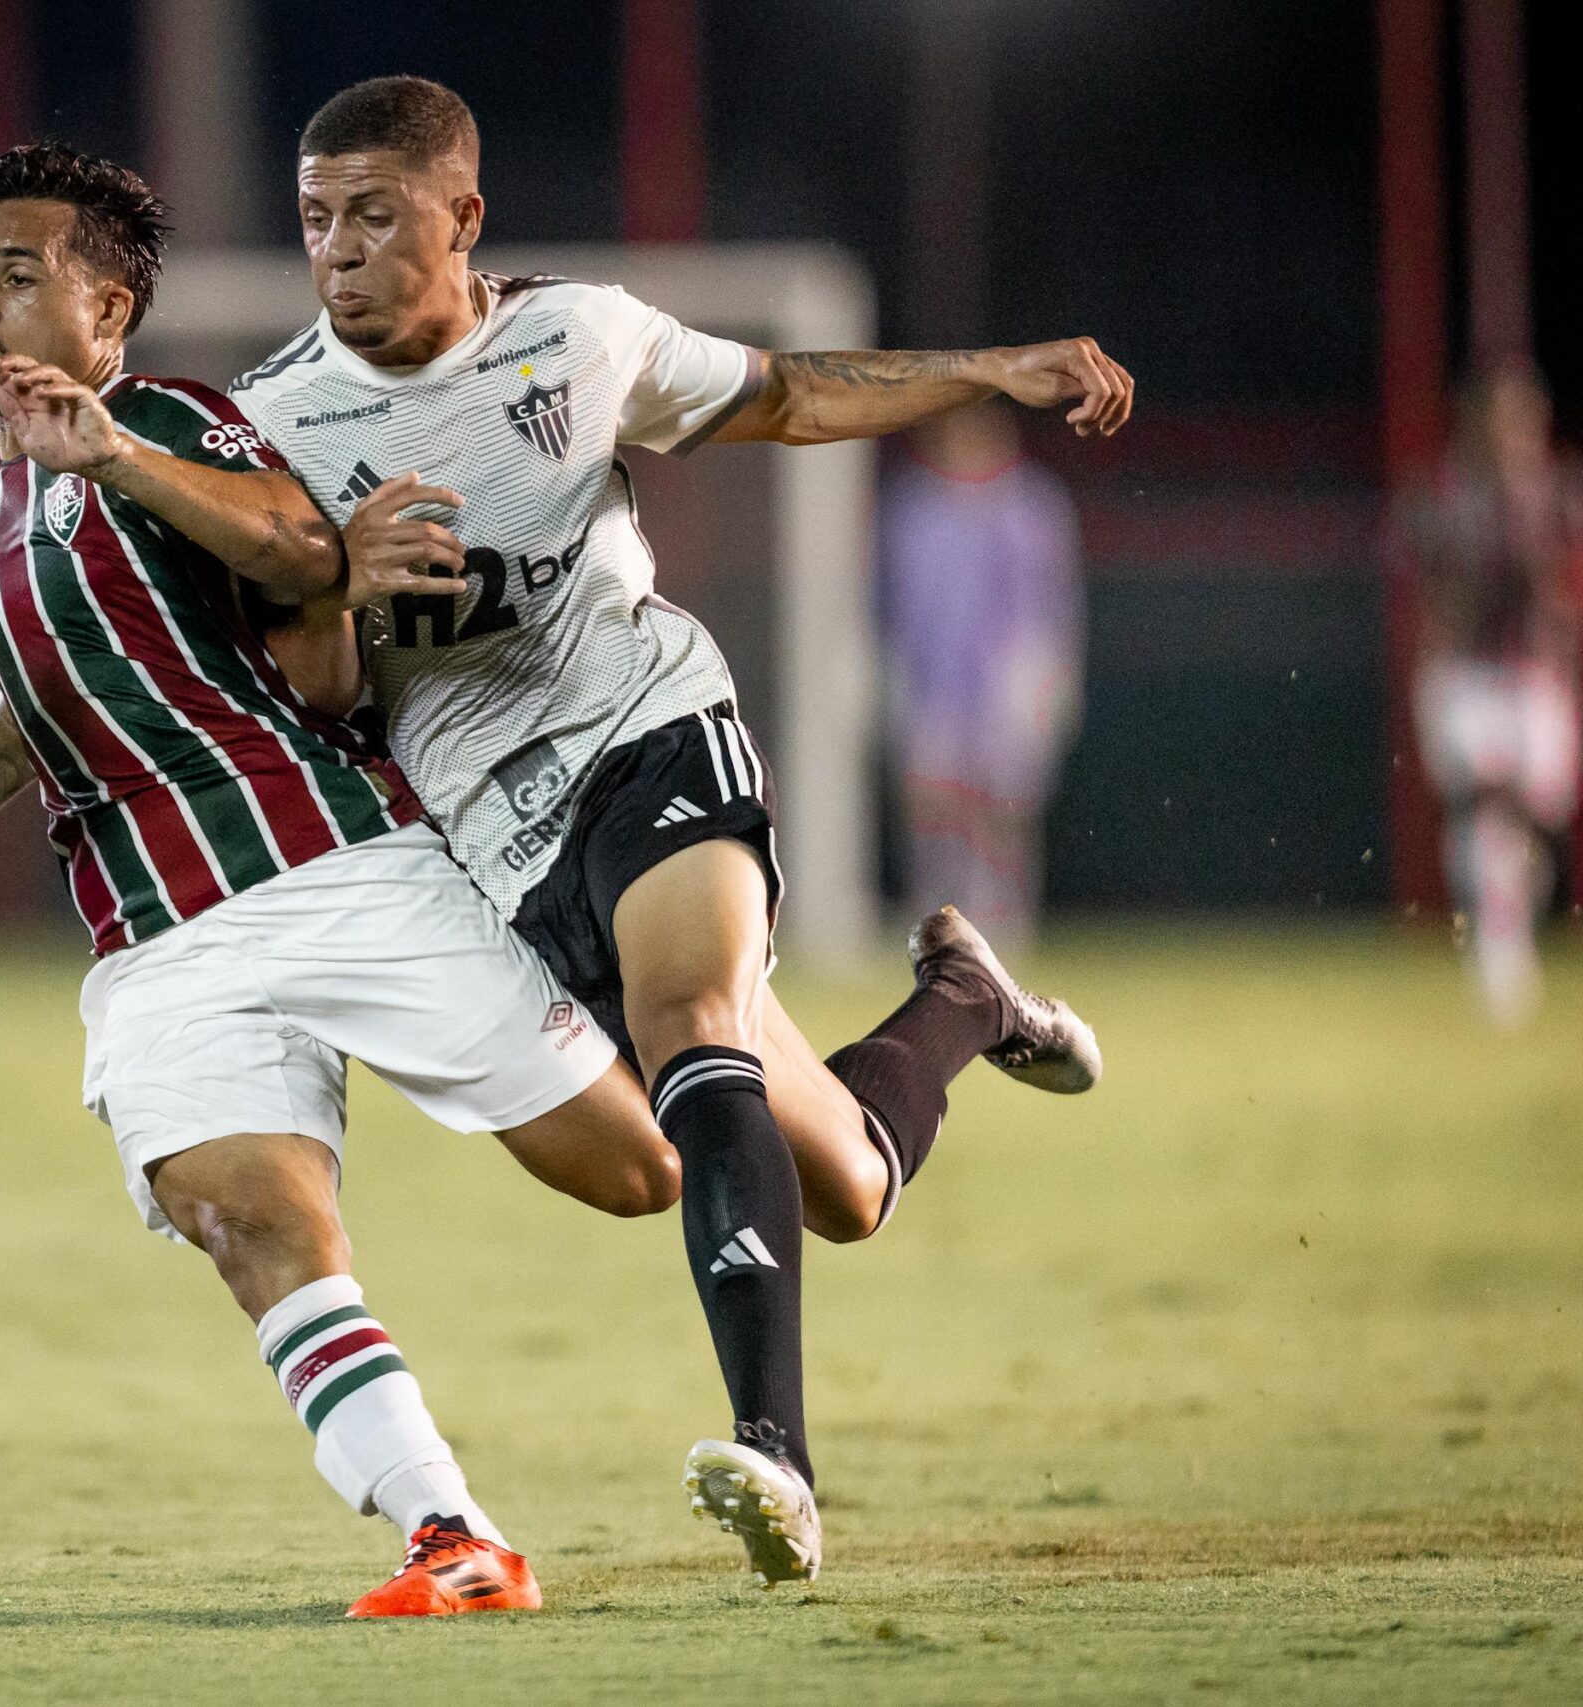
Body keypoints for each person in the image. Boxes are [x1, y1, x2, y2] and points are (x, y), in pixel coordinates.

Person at [239, 75, 1124, 1585]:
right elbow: (307, 690)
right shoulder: (274, 421)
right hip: (502, 843)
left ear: (463, 219)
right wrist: (334, 583)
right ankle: (965, 999)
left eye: (376, 218)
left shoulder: (573, 340)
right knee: (844, 1182)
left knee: (689, 1012)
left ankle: (776, 1455)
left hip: (651, 730)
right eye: (317, 220)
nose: (339, 252)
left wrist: (988, 369)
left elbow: (786, 392)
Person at [0, 142, 701, 1619]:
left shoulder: (170, 422)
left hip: (330, 869)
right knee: (251, 1223)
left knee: (641, 1168)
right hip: (155, 937)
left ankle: (857, 1041)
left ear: (108, 316)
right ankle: (453, 1536)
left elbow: (312, 554)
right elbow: (47, 689)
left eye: (18, 276)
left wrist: (111, 448)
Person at [1391, 364, 1582, 1026]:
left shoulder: (1558, 497)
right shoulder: (1444, 501)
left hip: (1536, 675)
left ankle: (1513, 910)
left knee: (1538, 814)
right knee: (1486, 805)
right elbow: (1427, 589)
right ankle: (1501, 957)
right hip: (1469, 674)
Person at [879, 399, 1086, 953]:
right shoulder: (913, 510)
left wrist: (1051, 682)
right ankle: (936, 922)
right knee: (934, 804)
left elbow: (1055, 602)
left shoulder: (1032, 506)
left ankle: (1005, 921)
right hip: (930, 682)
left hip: (1009, 683)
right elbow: (894, 602)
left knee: (1003, 807)